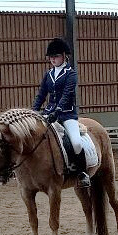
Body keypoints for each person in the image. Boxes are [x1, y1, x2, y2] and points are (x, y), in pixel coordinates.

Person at [32, 37, 90, 188]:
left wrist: (57, 111)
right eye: (51, 57)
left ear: (64, 56)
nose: (53, 59)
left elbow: (67, 94)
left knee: (76, 143)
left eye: (56, 56)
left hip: (66, 114)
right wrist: (34, 110)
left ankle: (82, 172)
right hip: (49, 113)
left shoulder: (71, 74)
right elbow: (41, 94)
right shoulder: (49, 74)